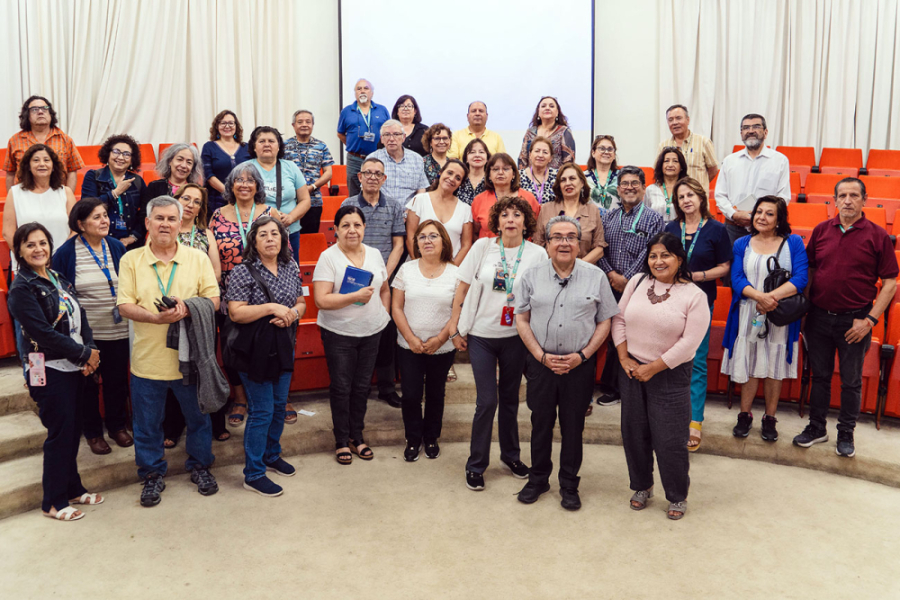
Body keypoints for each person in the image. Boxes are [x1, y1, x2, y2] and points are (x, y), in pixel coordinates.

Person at [117, 196, 221, 507]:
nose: (165, 224)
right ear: (147, 223)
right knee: (147, 425)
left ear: (180, 224)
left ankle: (200, 467)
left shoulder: (197, 258)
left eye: (171, 219)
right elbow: (124, 306)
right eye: (159, 218)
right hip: (147, 361)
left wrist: (187, 308)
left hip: (190, 360)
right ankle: (151, 475)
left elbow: (213, 301)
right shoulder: (130, 260)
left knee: (199, 420)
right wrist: (156, 317)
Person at [514, 216, 618, 510]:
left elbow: (605, 321)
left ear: (579, 242)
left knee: (573, 427)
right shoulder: (531, 276)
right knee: (540, 424)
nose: (564, 242)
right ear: (546, 243)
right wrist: (539, 355)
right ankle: (538, 479)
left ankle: (569, 484)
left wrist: (583, 356)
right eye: (557, 237)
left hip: (579, 365)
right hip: (540, 363)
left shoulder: (595, 276)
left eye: (571, 237)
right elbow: (521, 319)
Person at [794, 178, 899, 457]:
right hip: (818, 318)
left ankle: (846, 433)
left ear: (864, 199)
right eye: (843, 195)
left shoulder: (877, 236)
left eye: (854, 195)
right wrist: (803, 311)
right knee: (820, 377)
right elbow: (811, 272)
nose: (848, 200)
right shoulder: (821, 230)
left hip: (855, 322)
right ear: (834, 200)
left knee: (851, 381)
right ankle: (817, 428)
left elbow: (890, 282)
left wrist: (870, 320)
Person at [449, 195, 547, 491]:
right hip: (481, 335)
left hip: (516, 337)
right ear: (497, 221)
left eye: (517, 215)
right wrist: (455, 326)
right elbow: (462, 286)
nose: (511, 220)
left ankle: (510, 456)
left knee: (509, 401)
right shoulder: (483, 247)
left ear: (525, 221)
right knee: (486, 400)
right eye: (505, 215)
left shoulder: (537, 254)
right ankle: (476, 464)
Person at [8, 223, 102, 521]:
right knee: (60, 434)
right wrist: (85, 353)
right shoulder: (21, 288)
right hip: (47, 368)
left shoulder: (56, 277)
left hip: (73, 364)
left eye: (42, 243)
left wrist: (89, 350)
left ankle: (72, 488)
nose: (38, 249)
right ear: (19, 251)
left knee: (73, 430)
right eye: (30, 245)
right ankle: (53, 501)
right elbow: (43, 334)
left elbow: (80, 315)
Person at [613, 232, 710, 520]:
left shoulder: (695, 296)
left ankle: (677, 495)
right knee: (634, 434)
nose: (658, 261)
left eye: (665, 255)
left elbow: (689, 343)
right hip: (631, 369)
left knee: (669, 440)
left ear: (679, 259)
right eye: (653, 255)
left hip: (669, 374)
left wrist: (652, 367)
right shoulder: (637, 282)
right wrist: (623, 357)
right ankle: (642, 485)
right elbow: (618, 318)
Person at [226, 216, 305, 497]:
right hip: (254, 349)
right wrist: (272, 307)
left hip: (283, 343)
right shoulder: (242, 271)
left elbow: (301, 302)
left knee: (279, 404)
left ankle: (272, 455)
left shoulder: (289, 266)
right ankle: (254, 473)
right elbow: (235, 312)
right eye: (263, 235)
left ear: (283, 239)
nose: (271, 238)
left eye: (275, 233)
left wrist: (292, 314)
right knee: (261, 411)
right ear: (254, 241)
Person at [722, 196, 808, 442]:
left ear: (779, 219)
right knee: (749, 363)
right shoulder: (742, 243)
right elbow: (736, 278)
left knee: (774, 365)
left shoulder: (793, 243)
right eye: (758, 212)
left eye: (769, 213)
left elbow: (801, 278)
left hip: (780, 315)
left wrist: (770, 299)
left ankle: (770, 418)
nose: (761, 217)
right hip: (750, 311)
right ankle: (744, 414)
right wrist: (759, 297)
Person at [52, 198, 131, 456]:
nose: (104, 220)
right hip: (87, 337)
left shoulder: (116, 246)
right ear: (80, 223)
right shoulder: (66, 253)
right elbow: (61, 298)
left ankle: (117, 426)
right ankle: (94, 433)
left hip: (119, 331)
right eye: (96, 217)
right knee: (88, 385)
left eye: (105, 215)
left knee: (117, 381)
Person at [313, 205, 391, 465]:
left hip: (372, 331)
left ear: (364, 228)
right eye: (345, 225)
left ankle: (357, 436)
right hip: (339, 333)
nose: (352, 230)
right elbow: (321, 300)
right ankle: (340, 439)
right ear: (335, 229)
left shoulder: (376, 253)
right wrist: (354, 297)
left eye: (357, 225)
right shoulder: (328, 257)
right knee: (342, 386)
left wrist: (384, 315)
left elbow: (385, 289)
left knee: (361, 386)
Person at [210, 164, 287, 426]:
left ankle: (279, 397)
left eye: (250, 180)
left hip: (268, 292)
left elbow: (284, 251)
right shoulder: (217, 214)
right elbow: (212, 255)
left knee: (274, 345)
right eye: (238, 180)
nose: (244, 184)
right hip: (231, 294)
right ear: (231, 185)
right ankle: (241, 398)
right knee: (234, 348)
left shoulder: (269, 212)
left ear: (258, 186)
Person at [664, 178, 731, 451]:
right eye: (680, 197)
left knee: (697, 362)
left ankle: (694, 422)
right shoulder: (670, 228)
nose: (686, 200)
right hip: (670, 303)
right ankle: (669, 417)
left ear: (701, 197)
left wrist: (697, 276)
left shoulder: (716, 229)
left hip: (701, 303)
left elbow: (725, 266)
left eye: (690, 194)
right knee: (667, 359)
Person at [162, 183, 227, 448]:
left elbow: (216, 272)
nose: (190, 204)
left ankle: (215, 423)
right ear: (175, 200)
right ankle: (174, 426)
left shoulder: (205, 234)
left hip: (200, 310)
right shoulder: (163, 231)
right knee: (174, 368)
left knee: (205, 364)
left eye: (197, 201)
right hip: (171, 311)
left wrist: (192, 301)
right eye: (185, 198)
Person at [596, 166, 665, 405]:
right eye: (624, 183)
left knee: (631, 338)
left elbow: (652, 253)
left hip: (638, 288)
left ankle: (628, 387)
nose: (629, 187)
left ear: (643, 188)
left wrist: (627, 278)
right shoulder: (608, 217)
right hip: (609, 285)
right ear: (618, 188)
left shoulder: (654, 218)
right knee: (609, 335)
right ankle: (610, 386)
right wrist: (611, 274)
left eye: (634, 183)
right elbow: (600, 248)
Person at [340, 158, 405, 407]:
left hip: (385, 278)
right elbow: (342, 240)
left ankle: (387, 387)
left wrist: (383, 276)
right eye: (368, 173)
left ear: (384, 179)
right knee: (357, 331)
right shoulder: (348, 205)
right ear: (360, 177)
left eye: (378, 174)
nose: (373, 177)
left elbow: (398, 244)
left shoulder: (394, 206)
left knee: (385, 333)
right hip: (354, 277)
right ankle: (360, 387)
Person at [393, 220, 459, 461]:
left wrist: (440, 339)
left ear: (444, 241)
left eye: (433, 236)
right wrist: (410, 338)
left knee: (435, 393)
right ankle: (413, 438)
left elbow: (457, 312)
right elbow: (396, 307)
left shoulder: (456, 272)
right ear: (416, 243)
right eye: (422, 237)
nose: (428, 240)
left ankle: (431, 437)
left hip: (442, 347)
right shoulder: (406, 270)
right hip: (408, 345)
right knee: (410, 394)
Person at [715, 114, 792, 245]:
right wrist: (734, 214)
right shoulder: (730, 161)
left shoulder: (780, 160)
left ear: (766, 132)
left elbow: (783, 197)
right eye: (746, 128)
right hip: (734, 228)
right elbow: (720, 195)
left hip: (766, 228)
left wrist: (763, 216)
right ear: (741, 133)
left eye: (756, 126)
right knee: (734, 265)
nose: (750, 131)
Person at [244, 126, 311, 260]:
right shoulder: (245, 168)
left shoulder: (291, 167)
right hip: (256, 233)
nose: (267, 144)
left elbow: (305, 200)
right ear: (254, 147)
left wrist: (291, 217)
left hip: (289, 231)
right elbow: (237, 202)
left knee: (289, 272)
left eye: (271, 141)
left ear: (279, 146)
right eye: (262, 141)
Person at [2, 144, 77, 258]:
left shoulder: (65, 192)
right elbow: (8, 233)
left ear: (53, 166)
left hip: (62, 260)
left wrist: (60, 256)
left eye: (46, 160)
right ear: (28, 166)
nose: (42, 164)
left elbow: (76, 229)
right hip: (28, 263)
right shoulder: (15, 193)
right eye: (36, 160)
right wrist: (28, 258)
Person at [81, 134, 147, 249]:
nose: (121, 157)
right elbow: (87, 209)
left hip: (131, 245)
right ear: (108, 154)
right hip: (100, 242)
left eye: (126, 154)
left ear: (132, 159)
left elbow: (146, 214)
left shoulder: (137, 181)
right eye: (116, 152)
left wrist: (132, 238)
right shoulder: (93, 176)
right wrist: (115, 192)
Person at [5, 96, 84, 191]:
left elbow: (72, 171)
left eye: (45, 109)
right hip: (25, 196)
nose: (40, 112)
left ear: (51, 114)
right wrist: (14, 199)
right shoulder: (15, 140)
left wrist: (67, 197)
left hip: (57, 194)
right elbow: (10, 173)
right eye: (34, 109)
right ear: (27, 115)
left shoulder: (65, 139)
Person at [533, 163, 606, 264]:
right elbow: (537, 245)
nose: (568, 183)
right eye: (563, 180)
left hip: (584, 271)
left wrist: (578, 266)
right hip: (551, 269)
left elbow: (599, 248)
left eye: (572, 178)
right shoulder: (546, 209)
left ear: (581, 183)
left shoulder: (593, 210)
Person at [406, 159, 474, 266]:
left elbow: (466, 245)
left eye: (458, 178)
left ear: (461, 184)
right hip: (419, 266)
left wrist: (450, 271)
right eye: (449, 173)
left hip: (451, 271)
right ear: (440, 172)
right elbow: (410, 236)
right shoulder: (419, 200)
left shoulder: (465, 209)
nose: (452, 179)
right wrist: (422, 266)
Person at [284, 109, 334, 236]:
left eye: (308, 122)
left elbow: (328, 172)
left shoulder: (321, 146)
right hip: (290, 201)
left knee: (310, 239)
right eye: (300, 122)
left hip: (314, 201)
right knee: (289, 239)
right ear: (293, 125)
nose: (304, 125)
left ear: (313, 125)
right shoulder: (284, 146)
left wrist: (312, 187)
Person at [337, 78, 391, 197]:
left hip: (378, 157)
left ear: (371, 93)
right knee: (354, 192)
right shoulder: (346, 111)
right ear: (355, 93)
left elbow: (389, 132)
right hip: (355, 158)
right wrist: (353, 145)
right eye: (359, 88)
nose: (362, 91)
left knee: (379, 190)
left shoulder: (382, 110)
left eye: (366, 88)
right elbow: (340, 133)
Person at [140, 143, 204, 239]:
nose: (183, 165)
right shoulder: (155, 186)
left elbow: (203, 218)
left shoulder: (198, 190)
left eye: (189, 162)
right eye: (180, 159)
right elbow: (144, 216)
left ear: (192, 168)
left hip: (189, 237)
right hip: (160, 235)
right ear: (170, 161)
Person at [471, 153, 539, 239]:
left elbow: (535, 231)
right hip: (488, 250)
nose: (500, 173)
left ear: (514, 174)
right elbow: (474, 233)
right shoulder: (479, 200)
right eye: (495, 169)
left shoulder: (528, 198)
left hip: (522, 250)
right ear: (489, 176)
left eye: (506, 169)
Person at [657, 104, 718, 192]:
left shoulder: (703, 142)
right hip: (672, 200)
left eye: (678, 118)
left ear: (688, 120)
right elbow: (658, 172)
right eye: (670, 120)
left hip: (698, 199)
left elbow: (713, 170)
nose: (674, 122)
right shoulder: (663, 145)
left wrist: (697, 187)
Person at [366, 120, 429, 204]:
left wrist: (413, 210)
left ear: (403, 137)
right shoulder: (372, 159)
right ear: (381, 139)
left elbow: (421, 190)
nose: (391, 139)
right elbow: (366, 190)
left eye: (396, 134)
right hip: (381, 211)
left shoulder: (416, 159)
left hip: (410, 211)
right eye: (387, 135)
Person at [200, 110, 251, 214]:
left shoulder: (246, 147)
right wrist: (229, 193)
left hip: (244, 197)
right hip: (216, 200)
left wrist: (239, 193)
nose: (227, 126)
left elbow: (253, 174)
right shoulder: (209, 147)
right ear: (217, 126)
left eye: (231, 123)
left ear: (236, 126)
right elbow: (208, 175)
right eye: (223, 123)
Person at [517, 96, 576, 169]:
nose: (547, 108)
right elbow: (522, 159)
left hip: (556, 178)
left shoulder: (564, 132)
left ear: (557, 112)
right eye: (543, 106)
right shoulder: (530, 132)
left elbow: (569, 162)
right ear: (538, 112)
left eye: (551, 106)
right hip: (531, 178)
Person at [644, 147, 687, 223]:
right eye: (666, 161)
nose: (670, 165)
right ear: (661, 166)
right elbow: (645, 216)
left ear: (681, 167)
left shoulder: (687, 188)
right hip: (656, 232)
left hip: (680, 231)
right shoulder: (650, 190)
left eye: (675, 161)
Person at [518, 136, 558, 205]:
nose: (540, 155)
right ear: (530, 155)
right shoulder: (519, 176)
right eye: (537, 151)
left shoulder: (557, 176)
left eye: (545, 152)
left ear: (550, 158)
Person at [586, 135, 620, 211]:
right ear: (593, 153)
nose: (606, 152)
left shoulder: (622, 177)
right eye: (602, 148)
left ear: (614, 155)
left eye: (610, 149)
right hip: (590, 221)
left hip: (616, 221)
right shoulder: (582, 177)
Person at [456, 138, 490, 206]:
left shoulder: (492, 180)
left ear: (487, 158)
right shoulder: (459, 179)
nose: (477, 155)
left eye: (481, 152)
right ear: (466, 159)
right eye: (472, 152)